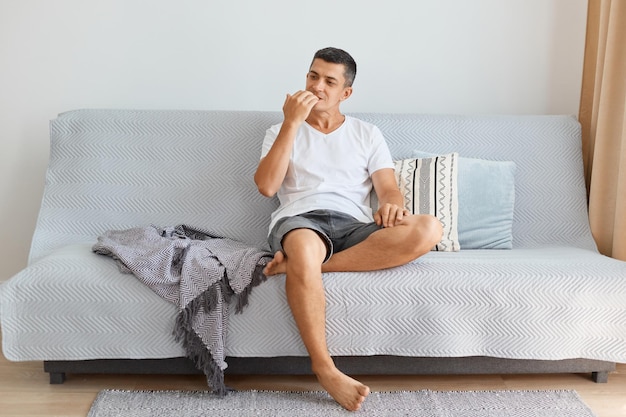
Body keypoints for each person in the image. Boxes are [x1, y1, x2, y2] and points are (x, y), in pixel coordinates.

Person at [254, 47, 443, 411]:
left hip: (353, 225)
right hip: (301, 219)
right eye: (312, 76)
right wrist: (292, 123)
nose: (318, 86)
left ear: (346, 93)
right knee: (306, 248)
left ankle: (299, 268)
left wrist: (392, 203)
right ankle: (325, 369)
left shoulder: (366, 133)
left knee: (429, 228)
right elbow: (266, 186)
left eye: (329, 81)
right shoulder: (279, 130)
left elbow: (386, 187)